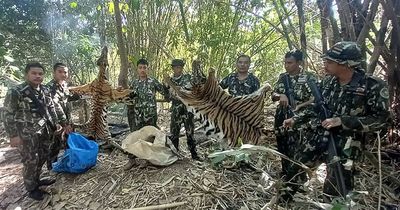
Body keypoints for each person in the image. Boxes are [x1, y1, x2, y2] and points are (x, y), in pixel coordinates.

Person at [283, 41, 390, 202]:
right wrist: (296, 119)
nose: (325, 64)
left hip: (346, 145)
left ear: (346, 65)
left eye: (330, 62)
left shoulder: (372, 86)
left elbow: (381, 120)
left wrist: (343, 121)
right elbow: (318, 107)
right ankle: (282, 202)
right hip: (319, 135)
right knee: (295, 170)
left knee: (335, 190)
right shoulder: (328, 82)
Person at [3, 62, 67, 200]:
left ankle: (37, 180)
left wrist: (56, 124)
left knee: (43, 156)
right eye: (34, 73)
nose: (37, 76)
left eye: (40, 74)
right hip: (26, 134)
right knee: (30, 160)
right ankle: (31, 188)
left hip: (44, 131)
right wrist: (13, 135)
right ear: (27, 74)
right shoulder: (16, 92)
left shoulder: (44, 90)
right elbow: (7, 114)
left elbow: (51, 108)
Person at [271, 50, 317, 184]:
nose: (286, 65)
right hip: (282, 115)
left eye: (290, 63)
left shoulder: (309, 77)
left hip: (301, 117)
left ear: (299, 63)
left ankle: (298, 178)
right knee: (282, 144)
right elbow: (273, 95)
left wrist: (301, 105)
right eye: (285, 63)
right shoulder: (283, 77)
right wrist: (280, 96)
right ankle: (286, 173)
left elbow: (315, 98)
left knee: (298, 146)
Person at [124, 58, 169, 170]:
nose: (142, 70)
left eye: (145, 68)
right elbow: (128, 96)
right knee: (135, 136)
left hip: (151, 115)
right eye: (140, 68)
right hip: (138, 116)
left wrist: (167, 85)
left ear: (148, 69)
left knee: (149, 138)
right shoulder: (134, 83)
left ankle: (146, 160)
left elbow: (164, 92)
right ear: (137, 69)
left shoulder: (153, 81)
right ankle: (132, 159)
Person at [46, 63, 80, 169]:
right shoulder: (50, 88)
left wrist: (77, 95)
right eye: (60, 72)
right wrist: (64, 124)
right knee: (55, 144)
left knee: (69, 140)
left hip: (66, 118)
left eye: (65, 72)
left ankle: (71, 161)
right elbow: (56, 106)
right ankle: (51, 167)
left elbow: (65, 99)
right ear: (54, 73)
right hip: (56, 122)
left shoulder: (64, 85)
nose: (63, 74)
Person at [167, 59, 200, 160]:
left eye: (180, 67)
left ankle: (194, 155)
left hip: (188, 109)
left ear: (182, 68)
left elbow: (197, 84)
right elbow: (167, 96)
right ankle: (174, 154)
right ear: (172, 68)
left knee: (190, 132)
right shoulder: (169, 80)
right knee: (174, 133)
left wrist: (196, 68)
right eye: (176, 67)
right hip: (176, 110)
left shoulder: (188, 78)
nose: (178, 69)